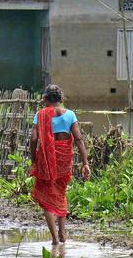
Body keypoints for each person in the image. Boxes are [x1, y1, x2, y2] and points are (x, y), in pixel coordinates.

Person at [30, 84, 91, 246]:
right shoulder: (70, 114)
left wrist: (34, 160)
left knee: (47, 196)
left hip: (46, 159)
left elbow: (33, 139)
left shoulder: (40, 114)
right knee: (61, 191)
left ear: (45, 99)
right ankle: (63, 231)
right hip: (65, 158)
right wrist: (85, 163)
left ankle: (55, 239)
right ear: (61, 99)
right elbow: (78, 139)